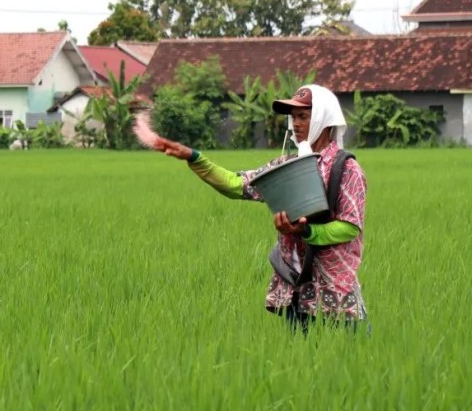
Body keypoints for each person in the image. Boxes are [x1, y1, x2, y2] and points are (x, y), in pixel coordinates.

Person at [154, 84, 368, 333]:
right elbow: (237, 185)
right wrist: (194, 157)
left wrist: (306, 232)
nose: (295, 123)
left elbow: (349, 226)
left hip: (335, 294)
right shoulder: (287, 166)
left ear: (324, 119)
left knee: (346, 360)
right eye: (293, 117)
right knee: (300, 365)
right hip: (297, 290)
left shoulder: (346, 168)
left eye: (303, 116)